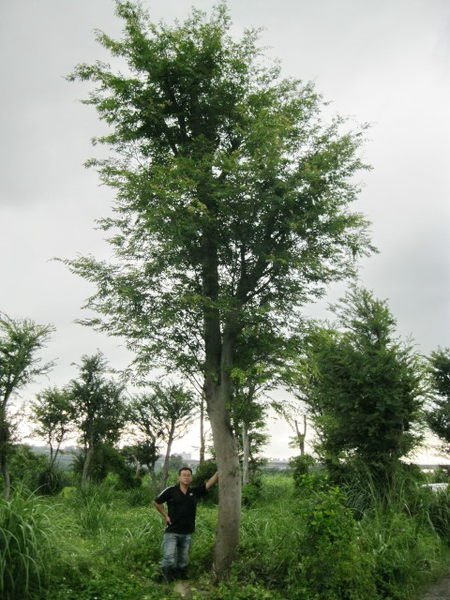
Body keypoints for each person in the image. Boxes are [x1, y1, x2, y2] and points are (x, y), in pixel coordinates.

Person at [154, 466, 219, 582]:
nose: (186, 477)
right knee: (169, 558)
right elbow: (157, 502)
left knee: (183, 560)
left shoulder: (193, 492)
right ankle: (166, 581)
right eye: (184, 475)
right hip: (172, 531)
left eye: (188, 475)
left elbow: (208, 484)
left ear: (191, 478)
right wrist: (165, 516)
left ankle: (180, 581)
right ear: (179, 477)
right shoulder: (171, 491)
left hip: (187, 532)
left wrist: (219, 472)